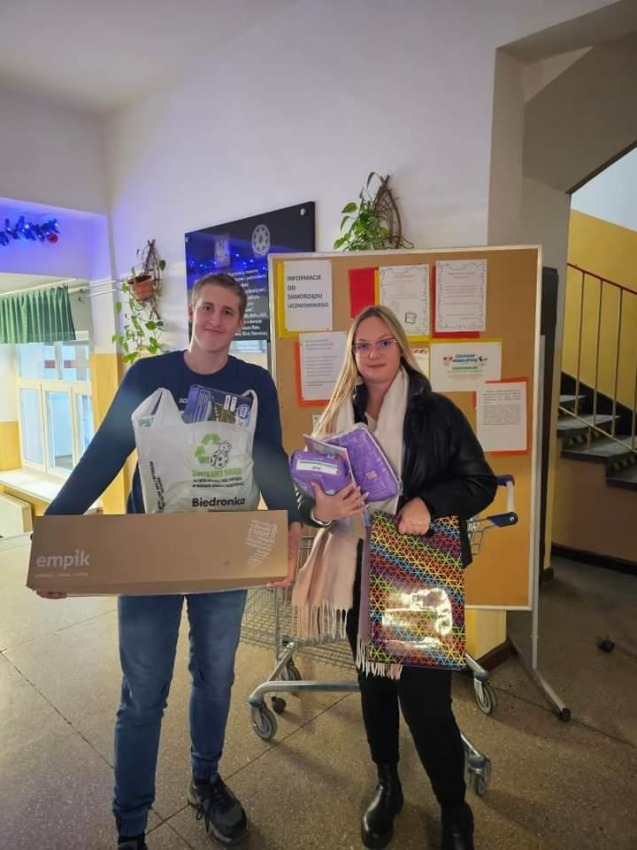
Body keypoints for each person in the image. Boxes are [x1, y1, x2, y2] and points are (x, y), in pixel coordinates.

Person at [38, 273, 302, 850]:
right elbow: (104, 454)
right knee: (143, 692)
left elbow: (269, 461)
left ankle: (205, 781)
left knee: (216, 678)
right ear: (191, 311)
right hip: (150, 554)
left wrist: (292, 531)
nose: (215, 320)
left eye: (228, 312)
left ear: (240, 322)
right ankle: (131, 824)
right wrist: (53, 541)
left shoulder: (254, 383)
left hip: (224, 557)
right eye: (207, 308)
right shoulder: (148, 375)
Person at [293, 305, 497, 850]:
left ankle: (453, 807)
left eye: (384, 342)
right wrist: (321, 510)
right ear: (353, 354)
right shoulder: (337, 413)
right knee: (375, 686)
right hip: (358, 568)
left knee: (427, 702)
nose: (374, 353)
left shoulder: (438, 413)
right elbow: (308, 489)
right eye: (363, 345)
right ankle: (389, 783)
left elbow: (479, 483)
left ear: (401, 347)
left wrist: (430, 503)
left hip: (414, 571)